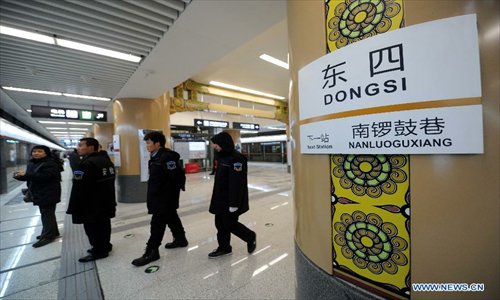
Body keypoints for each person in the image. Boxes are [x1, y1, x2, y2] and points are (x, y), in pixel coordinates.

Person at [132, 131, 188, 266]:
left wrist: (169, 195)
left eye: (148, 143)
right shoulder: (156, 156)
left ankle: (152, 251)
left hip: (164, 197)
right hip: (159, 195)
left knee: (157, 223)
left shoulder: (167, 158)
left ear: (157, 144)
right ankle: (180, 239)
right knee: (172, 217)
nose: (147, 145)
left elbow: (176, 177)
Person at [67, 138, 116, 262]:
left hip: (91, 204)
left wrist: (76, 206)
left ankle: (99, 251)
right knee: (104, 225)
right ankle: (105, 246)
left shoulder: (86, 164)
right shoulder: (106, 161)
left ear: (91, 147)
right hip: (105, 201)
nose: (78, 148)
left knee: (92, 228)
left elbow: (79, 186)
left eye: (81, 145)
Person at [208, 132, 256, 258]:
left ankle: (250, 236)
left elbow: (237, 183)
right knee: (219, 223)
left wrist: (234, 204)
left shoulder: (237, 159)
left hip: (231, 199)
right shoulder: (221, 156)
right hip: (220, 197)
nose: (214, 146)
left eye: (216, 144)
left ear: (224, 143)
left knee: (230, 223)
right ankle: (224, 248)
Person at [13, 145, 62, 248]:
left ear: (46, 153)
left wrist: (26, 175)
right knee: (47, 213)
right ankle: (53, 232)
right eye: (34, 151)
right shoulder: (32, 162)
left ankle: (48, 236)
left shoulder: (50, 163)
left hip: (49, 192)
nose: (36, 153)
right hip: (38, 192)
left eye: (40, 151)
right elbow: (30, 177)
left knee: (46, 214)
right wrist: (19, 177)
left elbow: (45, 177)